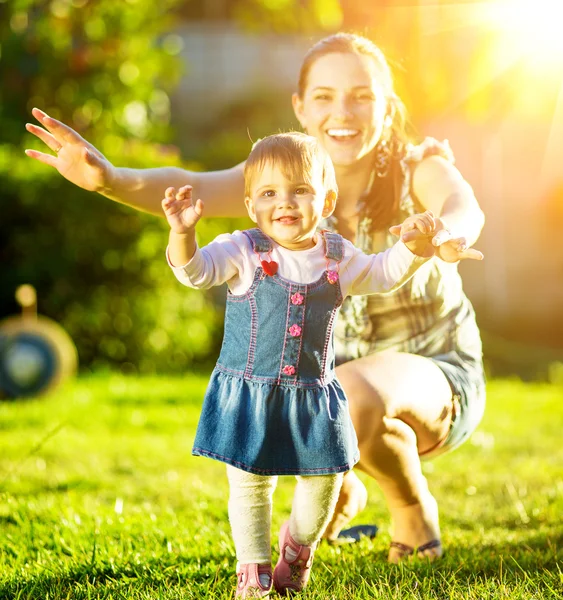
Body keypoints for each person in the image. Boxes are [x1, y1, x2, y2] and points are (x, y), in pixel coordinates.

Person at [25, 32, 486, 563]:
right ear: (300, 107)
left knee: (351, 392)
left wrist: (449, 234)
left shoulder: (418, 168)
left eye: (362, 95)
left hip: (434, 375)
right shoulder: (286, 183)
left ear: (387, 105)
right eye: (324, 96)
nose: (344, 111)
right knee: (340, 393)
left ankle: (410, 507)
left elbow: (461, 203)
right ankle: (343, 482)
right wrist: (109, 178)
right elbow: (188, 186)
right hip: (325, 387)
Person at [161, 131, 478, 597]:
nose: (284, 203)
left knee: (323, 479)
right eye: (269, 193)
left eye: (300, 191)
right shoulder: (242, 250)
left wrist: (414, 247)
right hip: (249, 391)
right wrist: (183, 233)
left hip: (313, 394)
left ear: (326, 198)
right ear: (251, 206)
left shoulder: (338, 255)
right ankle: (253, 573)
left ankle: (298, 546)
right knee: (251, 487)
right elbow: (195, 272)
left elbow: (382, 274)